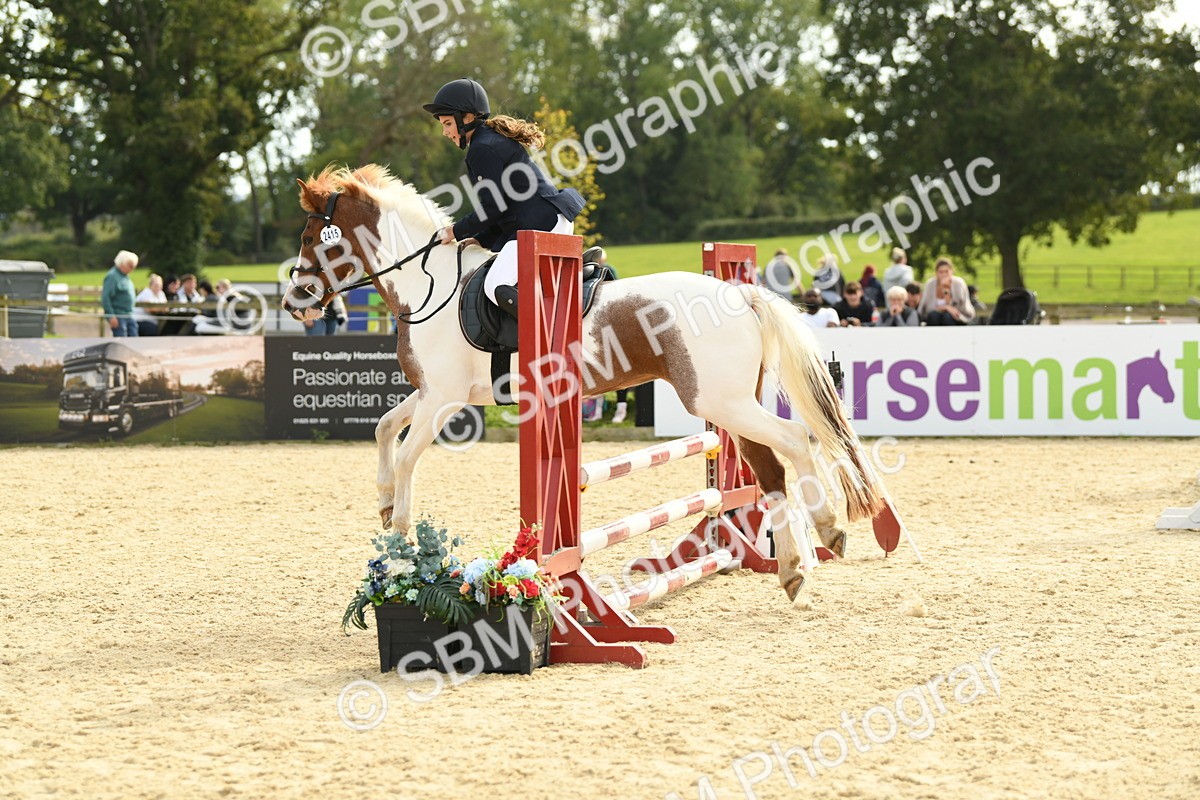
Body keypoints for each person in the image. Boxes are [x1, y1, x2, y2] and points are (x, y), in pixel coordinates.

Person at [424, 78, 585, 319]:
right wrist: (480, 239)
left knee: (495, 286)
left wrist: (455, 231)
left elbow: (493, 207)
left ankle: (546, 328)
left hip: (540, 226)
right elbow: (504, 207)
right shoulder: (489, 140)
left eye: (447, 123)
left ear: (466, 118)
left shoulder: (482, 148)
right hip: (547, 220)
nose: (445, 132)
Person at [918, 257, 975, 326]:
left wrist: (946, 291)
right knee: (934, 316)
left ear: (951, 271)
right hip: (934, 316)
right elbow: (927, 308)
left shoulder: (958, 283)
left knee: (946, 316)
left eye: (946, 271)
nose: (944, 274)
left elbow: (959, 308)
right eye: (941, 272)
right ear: (936, 273)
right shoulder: (930, 284)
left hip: (956, 317)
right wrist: (946, 307)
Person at [102, 250, 139, 337]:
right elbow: (106, 297)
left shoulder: (124, 275)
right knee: (122, 341)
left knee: (134, 339)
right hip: (119, 315)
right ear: (122, 263)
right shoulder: (112, 276)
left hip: (129, 314)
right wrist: (111, 316)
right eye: (130, 266)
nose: (132, 269)